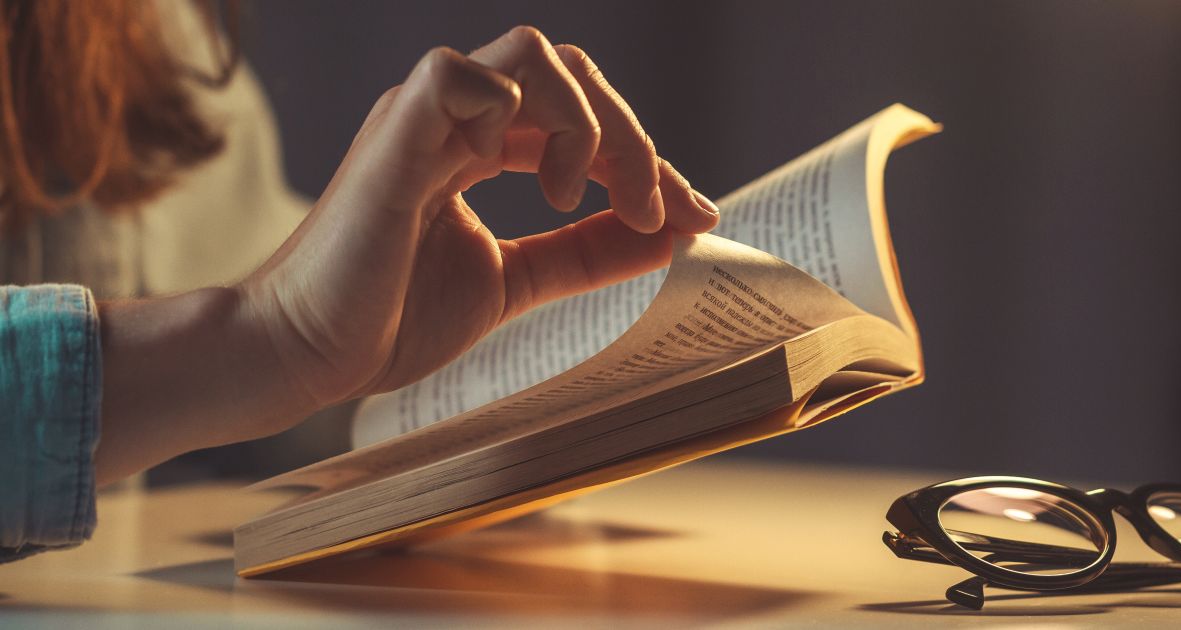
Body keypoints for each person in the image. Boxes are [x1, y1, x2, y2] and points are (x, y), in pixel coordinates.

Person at [0, 4, 718, 563]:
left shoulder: (140, 31)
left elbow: (308, 362)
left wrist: (565, 375)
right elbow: (265, 338)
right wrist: (270, 338)